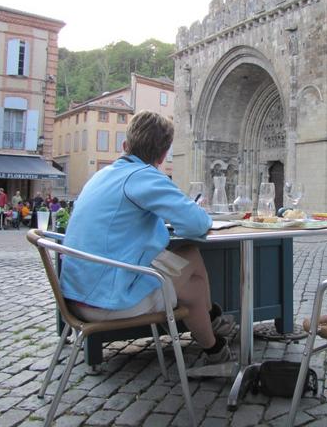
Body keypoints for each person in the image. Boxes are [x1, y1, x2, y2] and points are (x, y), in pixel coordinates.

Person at [60, 110, 234, 364]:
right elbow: (196, 224)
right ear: (163, 156)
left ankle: (213, 332)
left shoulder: (102, 175)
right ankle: (215, 344)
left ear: (125, 146)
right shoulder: (143, 176)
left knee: (190, 256)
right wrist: (195, 209)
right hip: (105, 301)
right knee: (193, 284)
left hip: (76, 294)